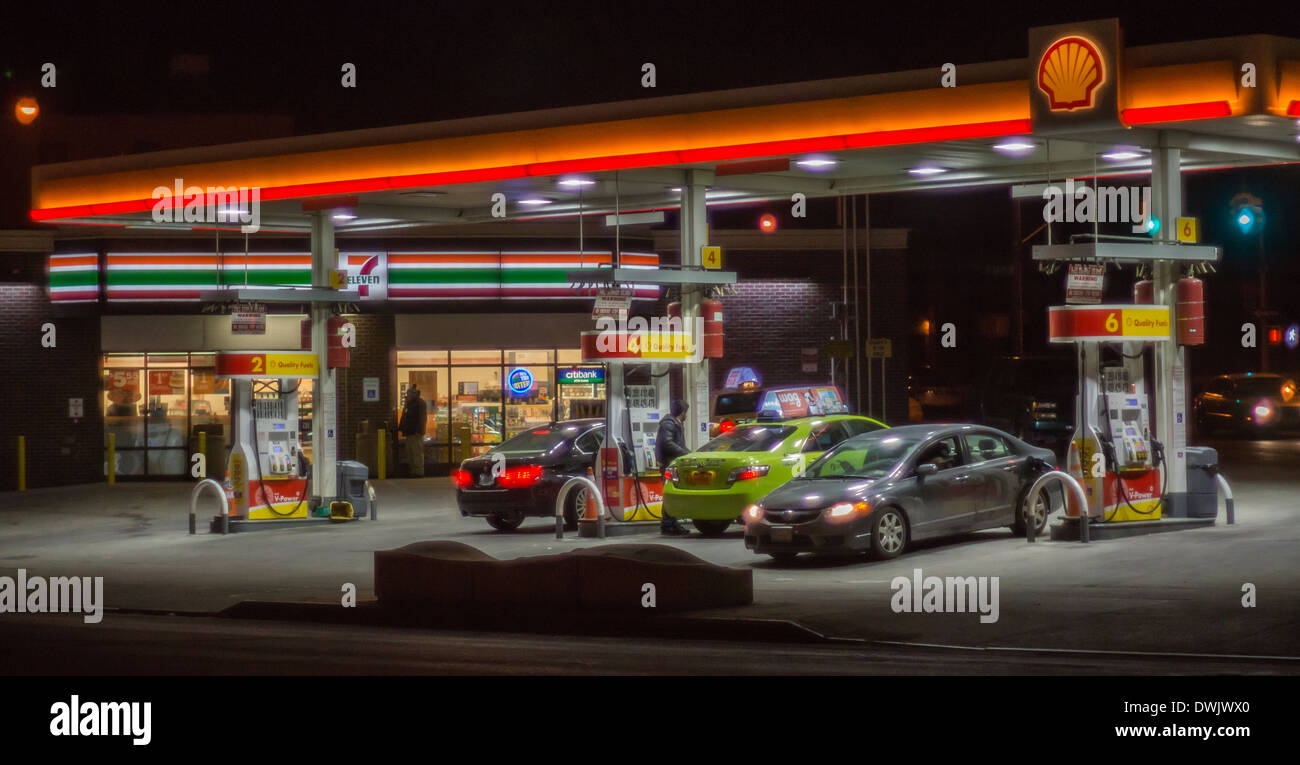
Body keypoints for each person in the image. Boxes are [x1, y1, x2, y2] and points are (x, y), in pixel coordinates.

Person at [655, 398, 692, 535]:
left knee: (672, 494)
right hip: (670, 464)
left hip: (672, 463)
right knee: (671, 494)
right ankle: (668, 524)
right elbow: (668, 443)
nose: (686, 415)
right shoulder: (669, 425)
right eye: (686, 412)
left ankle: (670, 523)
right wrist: (686, 453)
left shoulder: (673, 424)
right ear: (682, 412)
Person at [399, 385, 428, 478]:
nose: (408, 396)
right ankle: (413, 471)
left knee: (417, 452)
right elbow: (405, 415)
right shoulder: (410, 404)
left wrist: (419, 430)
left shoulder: (420, 403)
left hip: (416, 433)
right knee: (410, 452)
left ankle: (419, 472)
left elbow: (422, 418)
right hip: (409, 432)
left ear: (414, 394)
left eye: (409, 394)